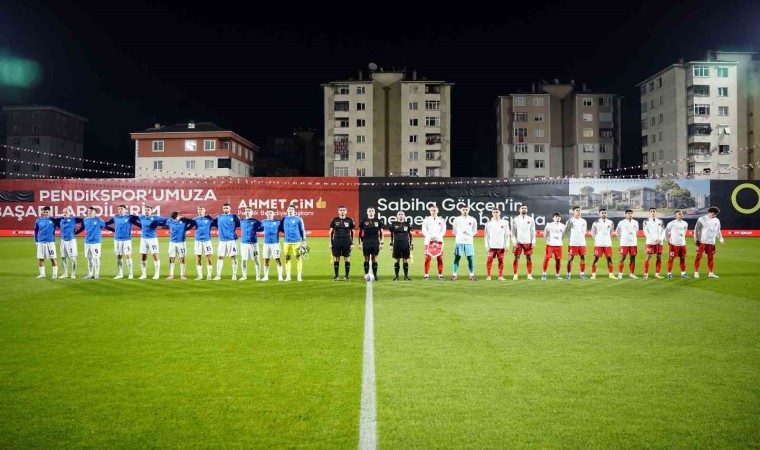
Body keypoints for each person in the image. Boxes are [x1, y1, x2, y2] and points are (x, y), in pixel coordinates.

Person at [105, 204, 141, 279]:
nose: (120, 210)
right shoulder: (115, 217)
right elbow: (106, 224)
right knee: (119, 256)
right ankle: (120, 274)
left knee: (128, 255)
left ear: (125, 210)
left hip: (126, 239)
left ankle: (130, 274)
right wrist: (112, 230)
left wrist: (146, 227)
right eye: (119, 209)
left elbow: (139, 224)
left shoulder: (129, 217)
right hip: (117, 239)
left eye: (121, 208)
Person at [81, 206, 114, 279]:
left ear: (95, 213)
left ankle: (96, 274)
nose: (89, 212)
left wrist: (115, 231)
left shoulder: (98, 220)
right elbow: (82, 228)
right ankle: (90, 274)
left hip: (96, 242)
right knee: (89, 258)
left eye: (91, 211)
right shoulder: (85, 220)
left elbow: (106, 226)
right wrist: (76, 232)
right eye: (88, 211)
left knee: (96, 258)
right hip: (87, 242)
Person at [693, 206, 726, 278]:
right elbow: (696, 230)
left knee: (711, 258)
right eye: (713, 214)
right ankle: (696, 272)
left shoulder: (717, 220)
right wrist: (696, 240)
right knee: (698, 257)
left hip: (711, 242)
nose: (714, 216)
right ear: (709, 212)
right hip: (702, 242)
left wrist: (721, 240)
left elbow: (718, 231)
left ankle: (710, 273)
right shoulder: (701, 219)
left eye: (716, 214)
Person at [52, 207, 84, 279]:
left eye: (66, 212)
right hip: (63, 241)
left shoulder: (74, 219)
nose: (65, 213)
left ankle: (73, 274)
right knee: (63, 258)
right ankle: (65, 273)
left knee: (73, 258)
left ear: (70, 213)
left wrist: (78, 231)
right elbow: (52, 219)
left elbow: (85, 220)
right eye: (63, 212)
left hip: (71, 241)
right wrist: (40, 218)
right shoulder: (60, 219)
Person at [137, 205, 167, 279]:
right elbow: (133, 218)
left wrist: (162, 224)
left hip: (152, 239)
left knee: (155, 254)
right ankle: (143, 274)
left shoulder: (156, 218)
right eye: (146, 210)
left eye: (148, 210)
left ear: (151, 211)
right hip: (143, 239)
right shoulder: (141, 217)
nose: (146, 211)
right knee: (143, 255)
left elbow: (166, 219)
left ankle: (157, 274)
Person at [164, 211, 195, 279]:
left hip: (181, 242)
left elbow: (193, 222)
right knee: (171, 258)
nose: (174, 219)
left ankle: (182, 275)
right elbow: (164, 223)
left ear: (179, 216)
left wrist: (187, 228)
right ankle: (171, 274)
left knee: (182, 258)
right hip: (172, 242)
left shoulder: (184, 220)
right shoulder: (170, 220)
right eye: (173, 218)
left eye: (175, 218)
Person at [213, 203, 240, 280]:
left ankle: (234, 275)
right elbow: (215, 224)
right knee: (220, 257)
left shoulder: (234, 216)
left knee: (233, 257)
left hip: (231, 240)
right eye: (224, 208)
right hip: (222, 240)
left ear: (230, 209)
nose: (225, 209)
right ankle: (218, 275)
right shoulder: (219, 217)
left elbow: (238, 224)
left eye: (227, 208)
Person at [451, 205, 477, 281]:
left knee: (470, 259)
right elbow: (455, 231)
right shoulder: (456, 219)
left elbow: (474, 231)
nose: (465, 211)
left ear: (468, 210)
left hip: (469, 242)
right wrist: (460, 236)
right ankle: (454, 275)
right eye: (463, 209)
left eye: (466, 209)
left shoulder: (473, 219)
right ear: (461, 210)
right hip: (459, 241)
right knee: (457, 258)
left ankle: (472, 275)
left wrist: (468, 236)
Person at [329, 206, 355, 281]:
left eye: (344, 210)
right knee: (337, 258)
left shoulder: (350, 220)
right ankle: (336, 276)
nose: (342, 211)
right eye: (341, 210)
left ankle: (346, 276)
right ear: (338, 211)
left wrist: (352, 243)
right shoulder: (334, 220)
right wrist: (330, 243)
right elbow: (331, 232)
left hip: (347, 240)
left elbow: (353, 232)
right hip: (336, 240)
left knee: (346, 258)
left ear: (346, 211)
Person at [282, 205, 307, 282]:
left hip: (297, 242)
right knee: (287, 258)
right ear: (287, 210)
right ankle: (288, 276)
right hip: (286, 242)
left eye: (292, 209)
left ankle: (299, 276)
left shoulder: (298, 219)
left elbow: (302, 230)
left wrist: (304, 241)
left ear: (294, 211)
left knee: (298, 258)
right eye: (289, 209)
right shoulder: (284, 219)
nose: (290, 210)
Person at [484, 207, 511, 281]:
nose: (495, 214)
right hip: (491, 246)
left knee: (501, 261)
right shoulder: (488, 224)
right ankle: (489, 276)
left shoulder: (505, 223)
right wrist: (487, 246)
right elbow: (486, 236)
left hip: (501, 246)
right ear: (492, 213)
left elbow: (507, 235)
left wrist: (507, 245)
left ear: (500, 213)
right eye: (494, 212)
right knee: (489, 260)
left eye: (497, 212)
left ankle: (500, 276)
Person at [511, 204, 536, 280]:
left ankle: (529, 275)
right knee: (516, 258)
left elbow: (533, 231)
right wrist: (514, 241)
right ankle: (515, 275)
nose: (524, 209)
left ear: (527, 210)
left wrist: (533, 241)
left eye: (525, 208)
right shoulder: (515, 219)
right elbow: (513, 232)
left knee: (529, 258)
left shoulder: (530, 219)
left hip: (528, 242)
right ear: (519, 210)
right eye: (522, 208)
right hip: (518, 242)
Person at [421, 204, 446, 280]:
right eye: (431, 210)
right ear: (429, 211)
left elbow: (443, 231)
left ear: (437, 211)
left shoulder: (442, 220)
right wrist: (431, 237)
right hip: (428, 242)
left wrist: (437, 238)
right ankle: (426, 275)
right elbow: (424, 231)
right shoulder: (426, 220)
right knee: (427, 258)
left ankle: (440, 275)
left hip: (439, 242)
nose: (433, 212)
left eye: (434, 210)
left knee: (440, 258)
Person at [359, 207, 384, 281]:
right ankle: (366, 275)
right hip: (366, 241)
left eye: (372, 211)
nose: (371, 212)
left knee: (374, 259)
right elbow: (360, 233)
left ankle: (375, 275)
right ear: (367, 212)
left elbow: (382, 232)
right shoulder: (363, 221)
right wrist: (360, 243)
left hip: (375, 241)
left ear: (374, 212)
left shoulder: (378, 221)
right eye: (369, 211)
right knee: (366, 259)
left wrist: (381, 242)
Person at [590, 208, 615, 279]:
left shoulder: (610, 222)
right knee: (595, 259)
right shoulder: (596, 223)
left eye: (605, 213)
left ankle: (611, 274)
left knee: (609, 258)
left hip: (607, 243)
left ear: (606, 214)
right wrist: (597, 239)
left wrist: (607, 238)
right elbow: (593, 233)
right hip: (599, 244)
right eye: (602, 213)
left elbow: (611, 232)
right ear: (599, 214)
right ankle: (593, 274)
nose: (604, 214)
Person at [563, 206, 588, 279]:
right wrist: (570, 239)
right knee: (570, 258)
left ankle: (582, 274)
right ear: (573, 212)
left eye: (579, 210)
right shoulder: (570, 221)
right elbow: (566, 231)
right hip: (573, 243)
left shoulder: (584, 221)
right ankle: (568, 274)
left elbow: (584, 231)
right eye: (577, 210)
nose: (578, 211)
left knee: (583, 258)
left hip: (582, 243)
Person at [34, 206, 58, 278]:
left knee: (53, 258)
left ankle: (54, 274)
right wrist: (36, 241)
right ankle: (42, 274)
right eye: (44, 212)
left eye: (47, 212)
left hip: (50, 242)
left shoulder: (53, 220)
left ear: (50, 212)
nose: (45, 213)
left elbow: (63, 223)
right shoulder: (38, 220)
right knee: (41, 258)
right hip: (41, 242)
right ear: (42, 212)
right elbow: (35, 231)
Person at [239, 207, 263, 281]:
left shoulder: (256, 221)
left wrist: (256, 230)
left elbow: (262, 228)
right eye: (246, 211)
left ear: (252, 212)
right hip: (244, 243)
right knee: (243, 260)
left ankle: (258, 276)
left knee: (256, 260)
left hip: (253, 243)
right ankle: (244, 276)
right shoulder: (241, 221)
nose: (247, 212)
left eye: (249, 211)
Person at [389, 210, 413, 281]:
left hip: (405, 243)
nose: (401, 215)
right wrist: (391, 244)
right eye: (399, 214)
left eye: (402, 214)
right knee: (397, 259)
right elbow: (391, 235)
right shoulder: (393, 224)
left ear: (404, 216)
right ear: (397, 216)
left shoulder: (408, 224)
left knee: (405, 259)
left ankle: (406, 276)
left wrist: (411, 243)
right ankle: (396, 276)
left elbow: (411, 234)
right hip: (396, 243)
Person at [192, 206, 215, 280]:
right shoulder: (195, 219)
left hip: (207, 241)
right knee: (198, 258)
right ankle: (200, 275)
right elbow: (189, 226)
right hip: (198, 241)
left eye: (201, 209)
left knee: (208, 258)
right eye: (198, 209)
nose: (199, 211)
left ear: (205, 210)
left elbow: (216, 224)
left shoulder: (209, 220)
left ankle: (209, 275)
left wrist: (212, 219)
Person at [665, 210, 689, 279]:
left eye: (681, 213)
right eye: (679, 214)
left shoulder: (685, 223)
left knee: (683, 258)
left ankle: (683, 273)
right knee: (671, 258)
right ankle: (669, 273)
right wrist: (668, 240)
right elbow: (666, 231)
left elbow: (685, 231)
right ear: (676, 215)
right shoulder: (671, 223)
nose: (681, 214)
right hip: (674, 244)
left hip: (682, 244)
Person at [642, 207, 666, 279]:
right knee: (648, 256)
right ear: (649, 213)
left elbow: (664, 231)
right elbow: (646, 232)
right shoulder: (646, 221)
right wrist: (654, 239)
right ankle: (645, 274)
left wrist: (660, 239)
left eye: (654, 211)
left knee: (659, 257)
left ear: (656, 212)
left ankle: (657, 274)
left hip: (659, 242)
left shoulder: (661, 221)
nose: (653, 212)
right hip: (650, 242)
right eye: (651, 211)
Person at [615, 209, 639, 279]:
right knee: (622, 258)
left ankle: (631, 273)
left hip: (633, 243)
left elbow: (636, 232)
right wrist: (622, 239)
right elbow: (617, 232)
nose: (630, 214)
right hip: (624, 243)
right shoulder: (621, 222)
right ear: (625, 214)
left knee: (633, 258)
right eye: (628, 213)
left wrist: (633, 238)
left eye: (631, 213)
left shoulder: (636, 222)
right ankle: (620, 274)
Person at [261, 209, 283, 281]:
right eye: (268, 213)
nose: (269, 214)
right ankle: (266, 276)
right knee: (266, 260)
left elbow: (284, 230)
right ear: (266, 214)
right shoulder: (263, 222)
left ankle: (280, 276)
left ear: (274, 214)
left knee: (278, 259)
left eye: (270, 213)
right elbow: (259, 229)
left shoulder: (278, 222)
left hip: (275, 243)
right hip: (266, 243)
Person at [541, 212, 565, 280]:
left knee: (558, 260)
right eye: (556, 216)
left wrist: (559, 240)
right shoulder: (549, 225)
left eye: (559, 217)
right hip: (550, 245)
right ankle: (544, 274)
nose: (557, 218)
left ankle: (557, 275)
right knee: (547, 259)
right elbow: (545, 234)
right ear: (553, 218)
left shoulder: (563, 226)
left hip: (559, 245)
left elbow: (563, 235)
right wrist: (548, 242)